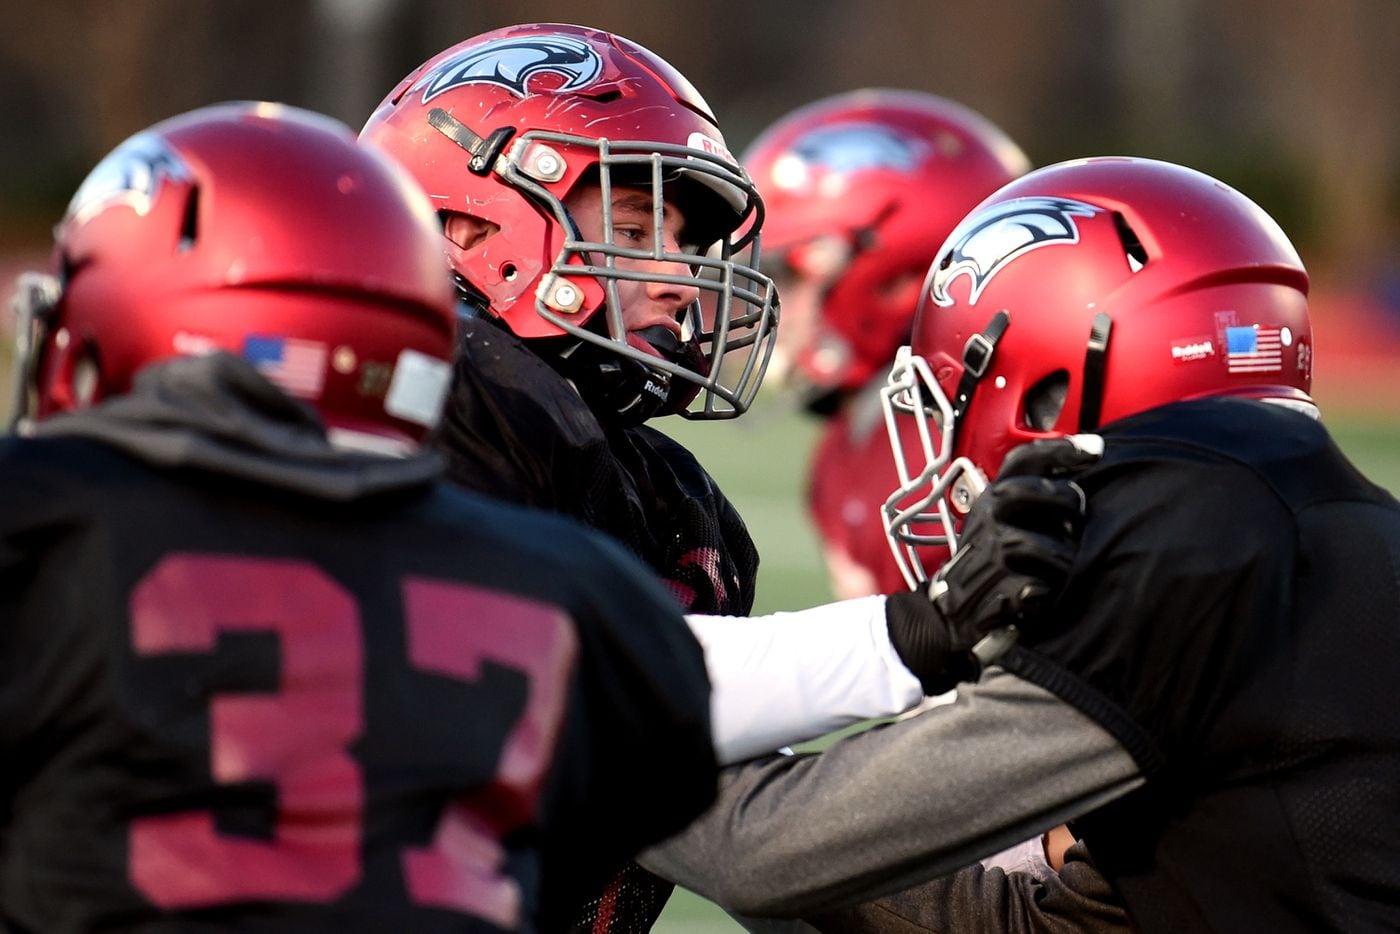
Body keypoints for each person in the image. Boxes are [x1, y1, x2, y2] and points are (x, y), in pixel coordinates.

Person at [0, 101, 725, 934]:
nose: (679, 278)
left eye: (684, 243)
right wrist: (886, 645)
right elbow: (701, 782)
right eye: (636, 234)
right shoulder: (552, 547)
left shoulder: (43, 514)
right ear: (455, 234)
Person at [640, 156, 1400, 932]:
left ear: (1051, 391)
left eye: (955, 397)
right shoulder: (1353, 526)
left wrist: (589, 731)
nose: (945, 447)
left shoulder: (1178, 559)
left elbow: (768, 853)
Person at [742, 88, 1031, 598]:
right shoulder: (842, 450)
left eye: (790, 275)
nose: (773, 307)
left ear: (894, 276)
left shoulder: (991, 440)